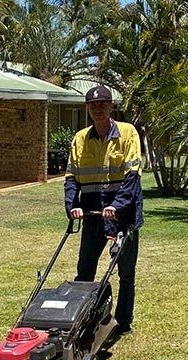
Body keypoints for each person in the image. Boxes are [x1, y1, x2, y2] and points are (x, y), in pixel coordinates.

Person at [64, 85, 143, 335]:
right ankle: (82, 321)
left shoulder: (128, 133)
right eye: (93, 105)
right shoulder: (80, 139)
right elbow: (71, 178)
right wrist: (72, 206)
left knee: (125, 272)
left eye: (103, 104)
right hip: (92, 215)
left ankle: (124, 321)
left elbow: (132, 176)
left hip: (124, 215)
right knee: (85, 270)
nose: (98, 109)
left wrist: (116, 205)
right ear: (87, 108)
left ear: (111, 106)